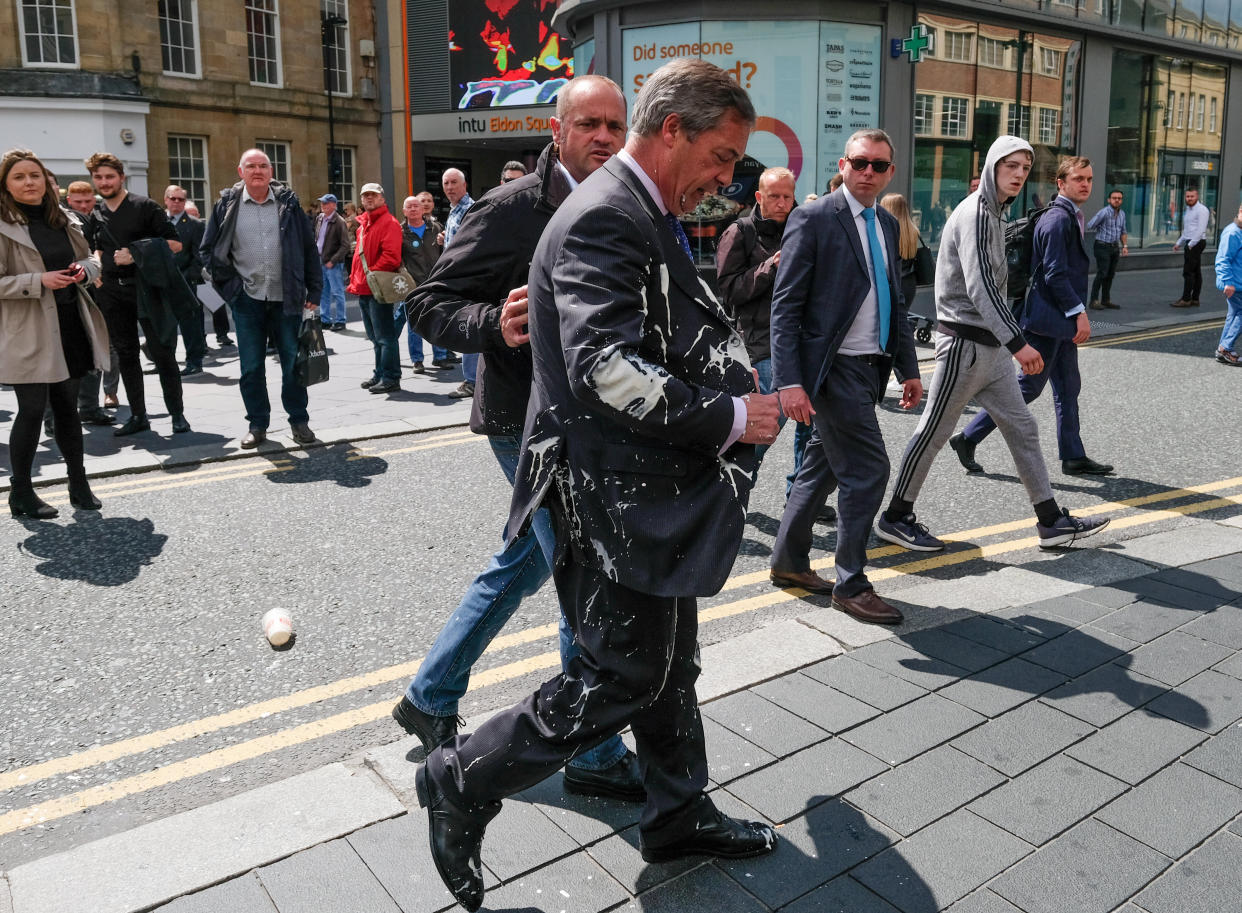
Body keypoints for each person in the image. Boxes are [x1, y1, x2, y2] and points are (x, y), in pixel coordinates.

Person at [415, 59, 781, 912]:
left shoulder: (639, 209)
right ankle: (461, 776)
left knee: (668, 661)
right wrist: (730, 416)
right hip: (604, 495)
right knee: (620, 674)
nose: (729, 177)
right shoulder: (605, 219)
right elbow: (604, 368)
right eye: (722, 156)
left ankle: (678, 810)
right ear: (673, 132)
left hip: (642, 489)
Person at [395, 74, 641, 803]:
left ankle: (431, 694)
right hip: (524, 420)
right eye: (588, 123)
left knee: (527, 564)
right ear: (557, 130)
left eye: (614, 125)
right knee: (578, 571)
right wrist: (489, 326)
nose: (603, 135)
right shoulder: (509, 211)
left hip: (594, 420)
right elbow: (428, 303)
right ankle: (593, 749)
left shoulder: (621, 200)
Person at [876, 136, 1110, 556]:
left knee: (1023, 429)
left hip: (991, 351)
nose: (1019, 174)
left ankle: (1051, 521)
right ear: (992, 168)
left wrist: (1007, 346)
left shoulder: (994, 213)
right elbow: (980, 286)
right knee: (933, 431)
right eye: (1011, 166)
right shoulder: (978, 214)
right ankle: (895, 517)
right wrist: (1019, 343)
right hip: (965, 346)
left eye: (1025, 167)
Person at [767, 128, 922, 624]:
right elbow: (785, 305)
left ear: (890, 172)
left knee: (822, 469)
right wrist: (790, 381)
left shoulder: (882, 221)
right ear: (843, 164)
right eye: (860, 163)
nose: (868, 173)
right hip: (832, 370)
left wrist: (908, 368)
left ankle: (789, 562)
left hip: (869, 367)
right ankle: (851, 583)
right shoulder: (814, 217)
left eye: (879, 165)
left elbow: (893, 300)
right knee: (869, 470)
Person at [952, 157, 1113, 477]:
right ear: (1061, 183)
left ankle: (1073, 455)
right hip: (1046, 320)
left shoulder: (1069, 216)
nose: (1085, 184)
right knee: (1027, 388)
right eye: (1078, 178)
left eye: (1089, 179)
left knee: (1068, 387)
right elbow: (1053, 274)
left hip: (1058, 322)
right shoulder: (1057, 220)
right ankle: (968, 437)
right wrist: (1079, 312)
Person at [1, 149, 109, 518]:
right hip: (27, 328)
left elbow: (92, 259)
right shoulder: (2, 223)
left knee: (68, 408)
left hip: (69, 323)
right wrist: (39, 280)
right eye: (19, 177)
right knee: (31, 410)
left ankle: (78, 483)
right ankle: (21, 492)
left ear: (46, 181)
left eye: (34, 175)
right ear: (6, 184)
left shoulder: (63, 218)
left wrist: (84, 269)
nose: (28, 182)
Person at [200, 148, 321, 449]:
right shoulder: (225, 206)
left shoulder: (289, 204)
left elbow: (309, 250)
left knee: (293, 364)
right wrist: (232, 292)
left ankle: (299, 420)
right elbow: (208, 252)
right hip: (247, 300)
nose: (257, 171)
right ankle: (257, 424)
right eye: (251, 166)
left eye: (263, 166)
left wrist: (314, 290)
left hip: (287, 298)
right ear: (240, 172)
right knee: (251, 368)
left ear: (271, 171)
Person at [83, 152, 189, 436]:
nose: (104, 182)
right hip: (112, 294)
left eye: (109, 177)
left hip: (147, 290)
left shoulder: (145, 207)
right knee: (127, 355)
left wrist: (136, 254)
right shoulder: (96, 212)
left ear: (121, 177)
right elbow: (97, 247)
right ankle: (139, 416)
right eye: (99, 177)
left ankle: (177, 414)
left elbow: (175, 244)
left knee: (162, 352)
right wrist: (97, 271)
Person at [63, 180, 119, 422]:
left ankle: (91, 405)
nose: (85, 206)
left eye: (89, 201)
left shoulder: (100, 218)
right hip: (68, 293)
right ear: (69, 202)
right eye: (79, 202)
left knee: (100, 348)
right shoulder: (60, 221)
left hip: (102, 293)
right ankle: (55, 416)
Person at [349, 182, 404, 395]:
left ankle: (391, 377)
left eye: (373, 195)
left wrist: (371, 276)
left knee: (385, 336)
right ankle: (380, 373)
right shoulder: (364, 225)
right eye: (365, 196)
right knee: (375, 337)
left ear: (382, 198)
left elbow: (391, 257)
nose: (369, 199)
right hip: (365, 288)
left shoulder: (388, 222)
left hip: (377, 288)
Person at [392, 194, 444, 374]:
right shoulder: (399, 231)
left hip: (435, 281)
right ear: (404, 211)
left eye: (417, 206)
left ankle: (440, 356)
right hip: (413, 284)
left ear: (423, 209)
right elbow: (396, 257)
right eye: (410, 206)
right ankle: (417, 360)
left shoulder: (436, 227)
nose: (414, 209)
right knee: (414, 324)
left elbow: (444, 251)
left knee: (437, 319)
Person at [439, 168, 476, 399]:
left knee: (469, 328)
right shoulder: (455, 211)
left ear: (464, 185)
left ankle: (473, 380)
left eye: (454, 182)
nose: (450, 187)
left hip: (466, 279)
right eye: (446, 183)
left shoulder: (470, 209)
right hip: (456, 278)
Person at [165, 185, 208, 377]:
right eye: (172, 198)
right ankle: (165, 361)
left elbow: (200, 254)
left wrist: (190, 275)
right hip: (161, 281)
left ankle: (194, 361)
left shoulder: (195, 224)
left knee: (189, 325)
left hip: (185, 281)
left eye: (180, 199)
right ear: (165, 199)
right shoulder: (157, 222)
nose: (176, 202)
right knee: (165, 325)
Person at [1086, 188, 1127, 309]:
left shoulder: (1122, 214)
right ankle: (1093, 301)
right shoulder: (1104, 212)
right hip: (1102, 246)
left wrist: (1125, 246)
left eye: (1119, 198)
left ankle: (1105, 300)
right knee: (1102, 273)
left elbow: (1123, 231)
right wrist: (1099, 226)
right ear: (1109, 200)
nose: (1117, 200)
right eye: (1114, 198)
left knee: (1110, 274)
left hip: (1115, 248)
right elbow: (1090, 225)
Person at [314, 193, 349, 331]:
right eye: (322, 203)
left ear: (334, 205)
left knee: (337, 292)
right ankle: (325, 319)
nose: (323, 205)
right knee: (323, 292)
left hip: (332, 263)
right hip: (320, 260)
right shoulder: (320, 218)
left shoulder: (339, 221)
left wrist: (333, 260)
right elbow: (317, 238)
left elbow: (345, 245)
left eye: (326, 203)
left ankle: (341, 320)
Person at [1212, 202, 1242, 366]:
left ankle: (1223, 350)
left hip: (1238, 282)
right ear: (1240, 211)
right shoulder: (1233, 233)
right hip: (1234, 284)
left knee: (1234, 315)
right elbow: (1223, 260)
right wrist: (1228, 282)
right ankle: (1225, 349)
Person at [1173, 186, 1210, 307]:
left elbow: (1200, 230)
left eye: (1192, 196)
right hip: (1191, 241)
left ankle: (1186, 299)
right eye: (1187, 196)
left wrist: (1190, 244)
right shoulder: (1188, 210)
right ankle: (1195, 299)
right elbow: (1187, 230)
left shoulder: (1202, 210)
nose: (1189, 198)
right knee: (1196, 271)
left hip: (1196, 242)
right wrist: (1179, 242)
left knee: (1188, 272)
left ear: (1197, 196)